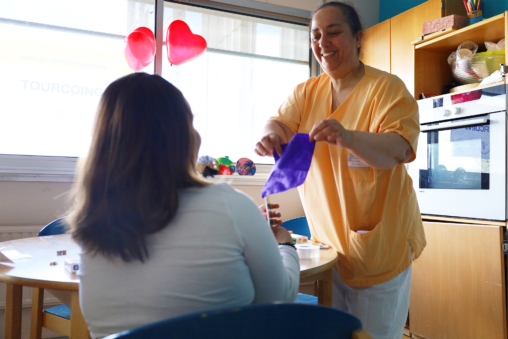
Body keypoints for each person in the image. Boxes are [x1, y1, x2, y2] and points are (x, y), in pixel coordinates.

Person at [67, 73, 300, 339]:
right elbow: (279, 298)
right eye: (190, 123)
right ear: (180, 136)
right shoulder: (230, 206)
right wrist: (283, 243)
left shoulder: (92, 224)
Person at [255, 2, 426, 339]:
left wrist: (348, 138)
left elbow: (398, 149)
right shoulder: (307, 91)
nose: (323, 42)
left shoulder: (387, 89)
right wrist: (270, 134)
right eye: (316, 35)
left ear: (358, 38)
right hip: (328, 247)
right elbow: (278, 121)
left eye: (333, 32)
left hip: (379, 247)